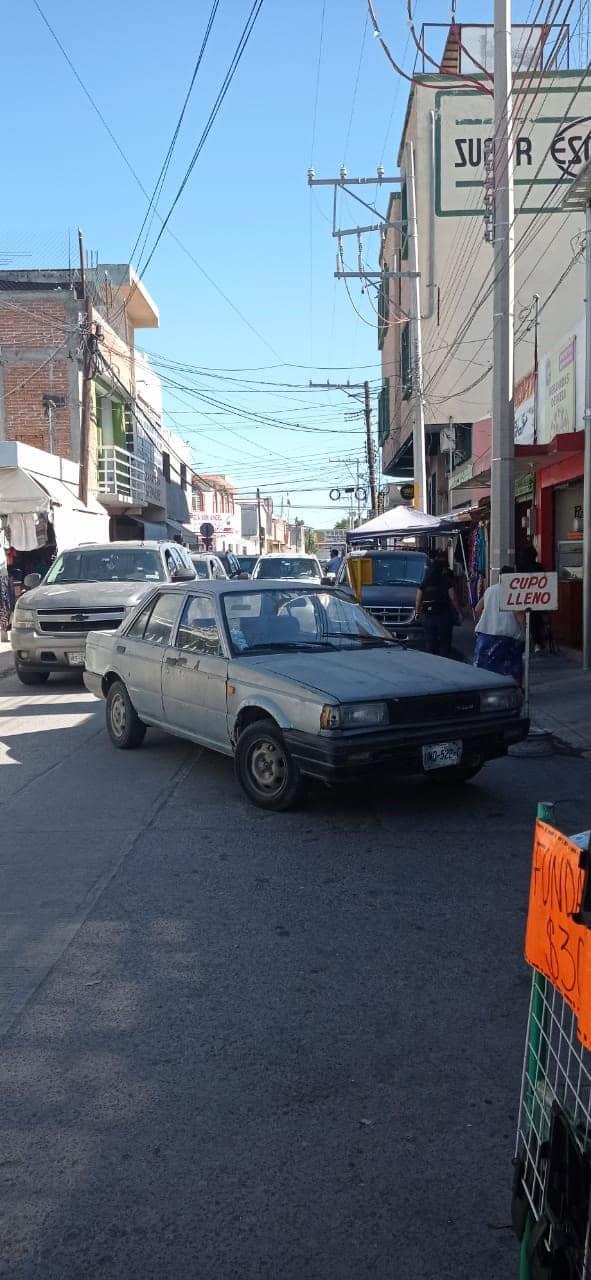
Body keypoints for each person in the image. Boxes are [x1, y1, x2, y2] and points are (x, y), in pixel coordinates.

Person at [473, 567, 524, 681]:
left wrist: (486, 620)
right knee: (509, 672)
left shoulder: (490, 590)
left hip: (485, 636)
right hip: (508, 637)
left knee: (485, 671)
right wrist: (525, 632)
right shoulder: (513, 591)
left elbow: (477, 608)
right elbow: (519, 614)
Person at [415, 550, 462, 658]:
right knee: (445, 643)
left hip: (428, 615)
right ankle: (444, 662)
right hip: (443, 615)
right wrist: (459, 612)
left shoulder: (426, 580)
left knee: (430, 642)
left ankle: (432, 663)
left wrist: (417, 612)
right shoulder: (446, 580)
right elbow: (453, 597)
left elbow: (418, 598)